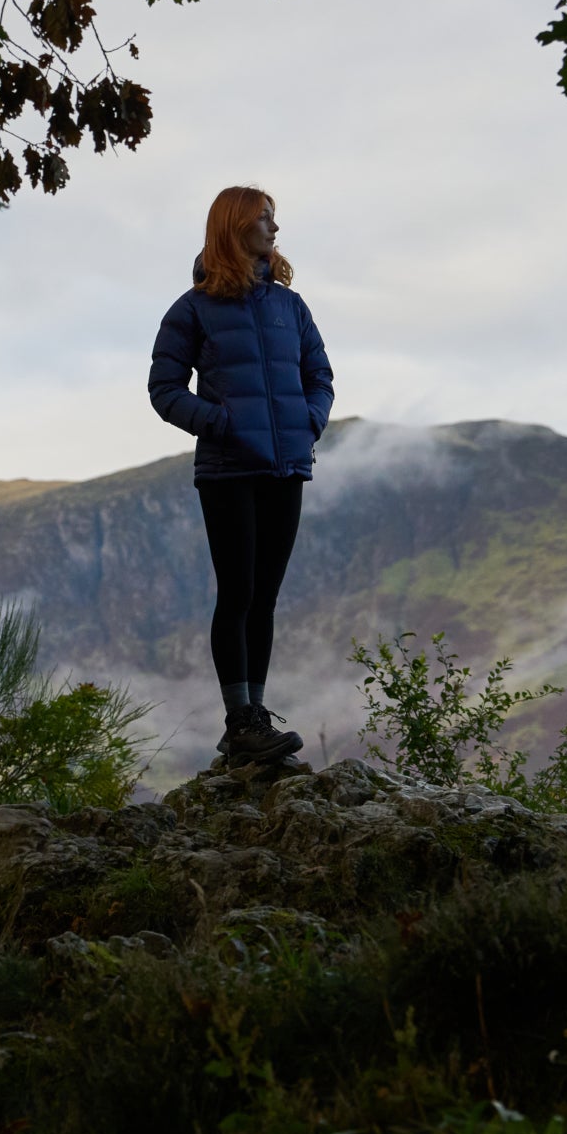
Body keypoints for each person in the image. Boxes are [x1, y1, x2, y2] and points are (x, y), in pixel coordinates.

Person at [147, 185, 334, 765]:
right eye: (265, 220)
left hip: (285, 468)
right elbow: (164, 391)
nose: (275, 230)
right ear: (235, 227)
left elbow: (320, 376)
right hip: (229, 469)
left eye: (274, 220)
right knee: (239, 593)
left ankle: (250, 721)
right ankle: (241, 718)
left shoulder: (290, 307)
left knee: (266, 598)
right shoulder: (193, 308)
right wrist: (221, 424)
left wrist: (309, 423)